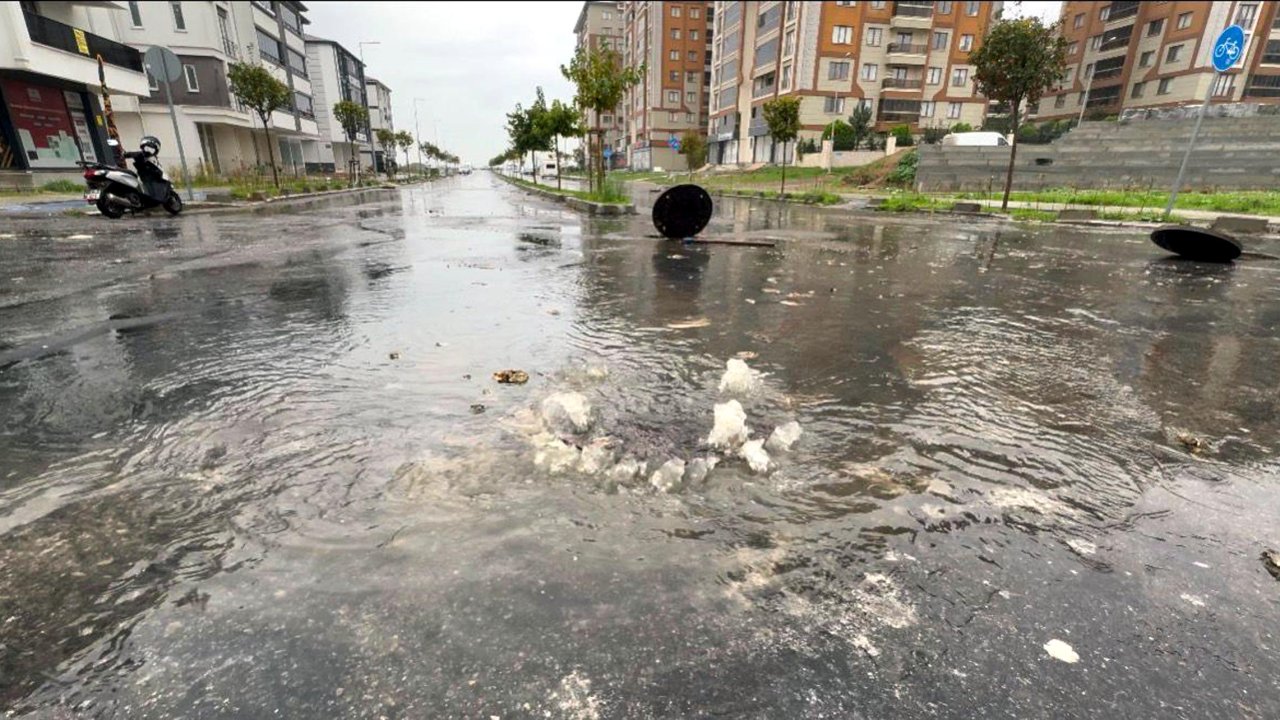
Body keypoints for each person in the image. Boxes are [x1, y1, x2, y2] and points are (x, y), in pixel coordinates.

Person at [123, 136, 167, 200]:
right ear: (143, 147)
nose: (148, 150)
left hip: (150, 177)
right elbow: (131, 154)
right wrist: (125, 154)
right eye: (147, 148)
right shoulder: (141, 154)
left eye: (151, 149)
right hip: (144, 176)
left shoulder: (152, 158)